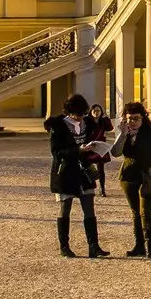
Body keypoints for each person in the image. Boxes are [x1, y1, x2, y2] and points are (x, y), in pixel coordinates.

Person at [47, 95, 110, 259]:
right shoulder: (58, 126)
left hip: (84, 171)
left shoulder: (88, 123)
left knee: (89, 208)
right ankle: (65, 246)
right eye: (77, 114)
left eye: (82, 114)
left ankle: (94, 246)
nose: (80, 117)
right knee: (65, 209)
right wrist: (77, 151)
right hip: (65, 172)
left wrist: (93, 148)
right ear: (69, 112)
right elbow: (56, 152)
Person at [110, 100, 151, 258]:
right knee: (135, 211)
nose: (132, 122)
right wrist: (122, 133)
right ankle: (139, 245)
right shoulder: (124, 134)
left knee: (145, 211)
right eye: (129, 119)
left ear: (143, 118)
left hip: (148, 178)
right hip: (129, 176)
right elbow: (115, 153)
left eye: (136, 118)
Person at [83, 103, 114, 195]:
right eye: (95, 111)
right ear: (91, 112)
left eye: (98, 111)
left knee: (101, 168)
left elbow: (110, 128)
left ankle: (102, 188)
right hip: (89, 146)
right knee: (87, 167)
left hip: (100, 146)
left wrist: (107, 120)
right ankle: (88, 186)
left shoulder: (103, 121)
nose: (97, 112)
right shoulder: (87, 121)